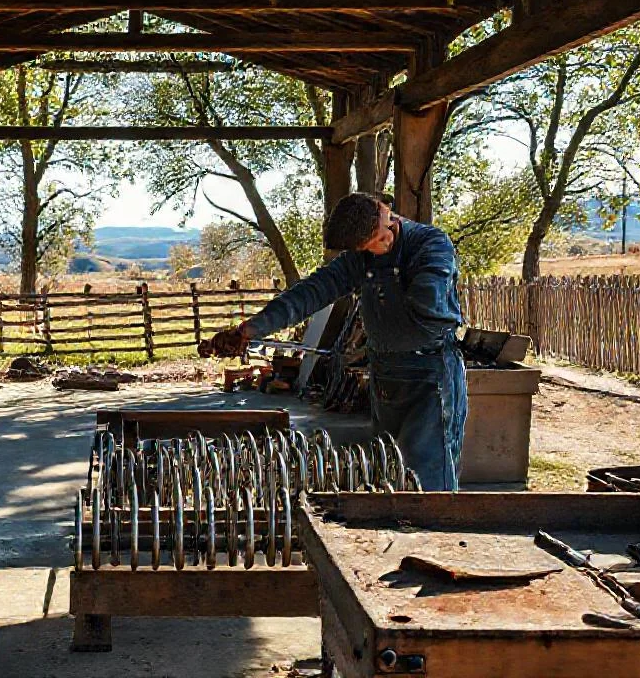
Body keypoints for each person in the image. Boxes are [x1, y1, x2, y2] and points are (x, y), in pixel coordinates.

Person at [200, 192, 467, 490]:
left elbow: (431, 312)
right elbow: (310, 292)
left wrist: (399, 296)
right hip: (385, 375)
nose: (379, 249)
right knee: (388, 469)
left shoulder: (431, 245)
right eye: (367, 248)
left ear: (388, 215)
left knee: (427, 480)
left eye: (380, 240)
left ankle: (430, 536)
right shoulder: (360, 258)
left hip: (431, 377)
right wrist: (250, 330)